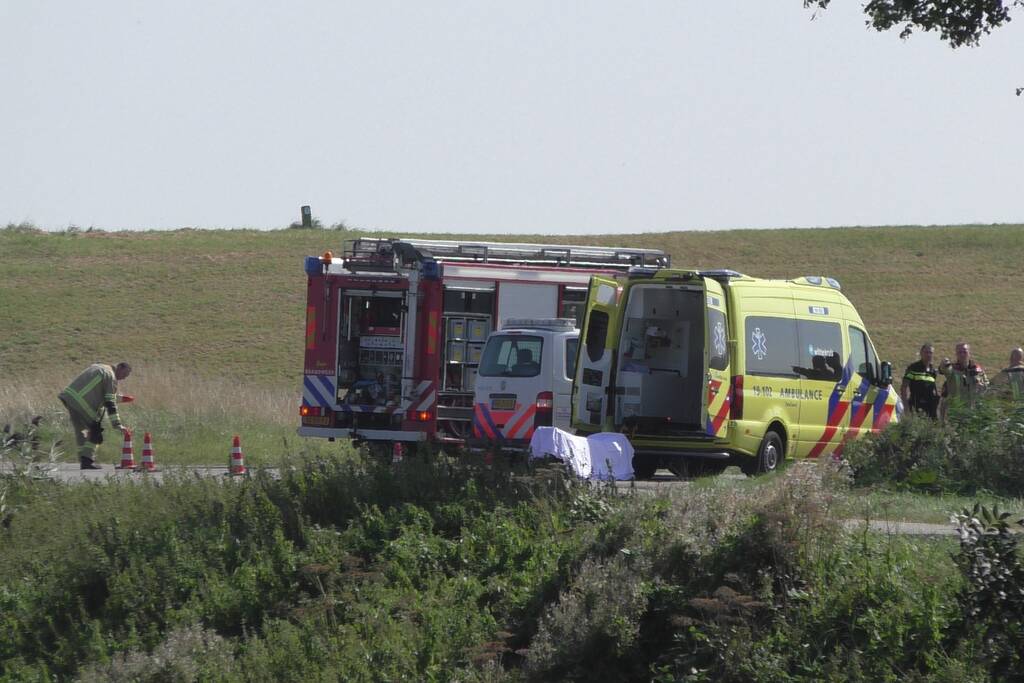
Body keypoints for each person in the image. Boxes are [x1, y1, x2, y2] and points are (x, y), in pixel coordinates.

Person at [58, 362, 133, 469]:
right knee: (95, 432)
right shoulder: (110, 376)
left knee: (82, 432)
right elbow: (109, 402)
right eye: (124, 374)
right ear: (119, 367)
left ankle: (84, 460)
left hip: (70, 399)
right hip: (82, 404)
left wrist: (121, 398)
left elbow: (97, 392)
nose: (123, 378)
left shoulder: (100, 368)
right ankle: (87, 461)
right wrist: (117, 425)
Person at [939, 342, 988, 419]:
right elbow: (944, 369)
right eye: (959, 352)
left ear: (969, 353)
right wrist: (943, 364)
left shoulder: (977, 369)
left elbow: (987, 385)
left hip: (973, 412)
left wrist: (982, 386)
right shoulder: (952, 369)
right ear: (956, 354)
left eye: (964, 351)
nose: (962, 354)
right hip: (955, 412)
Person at [900, 343, 940, 418]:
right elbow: (904, 387)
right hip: (916, 407)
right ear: (921, 353)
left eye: (930, 353)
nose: (928, 355)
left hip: (931, 408)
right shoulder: (914, 368)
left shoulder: (932, 370)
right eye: (926, 352)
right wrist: (906, 407)